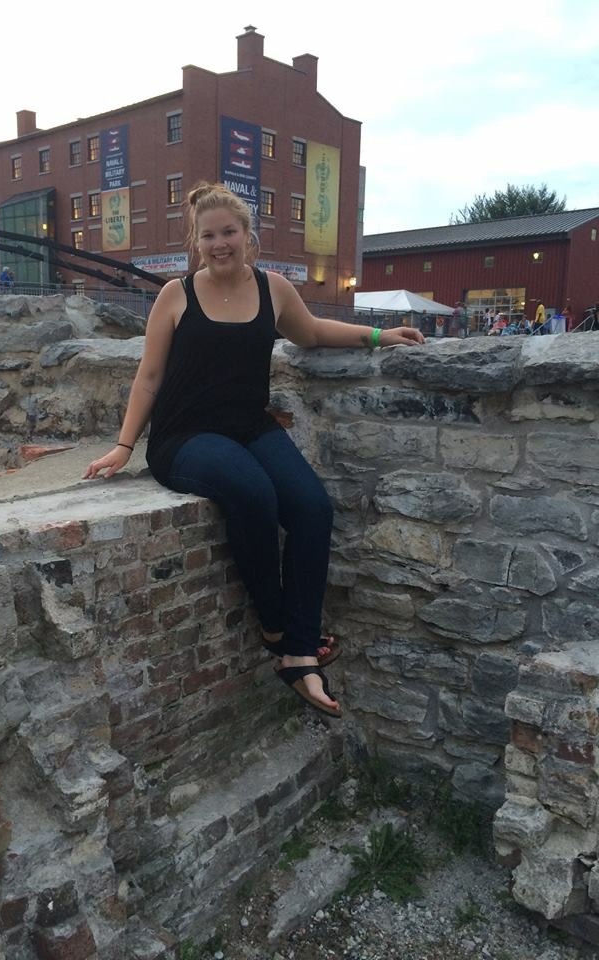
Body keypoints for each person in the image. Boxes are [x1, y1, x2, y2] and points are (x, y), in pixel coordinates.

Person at [83, 182, 425, 719]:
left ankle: (297, 651)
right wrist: (124, 445)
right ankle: (276, 626)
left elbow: (310, 332)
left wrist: (378, 337)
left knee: (312, 507)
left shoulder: (274, 289)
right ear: (196, 242)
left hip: (249, 426)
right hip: (184, 437)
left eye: (229, 232)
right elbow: (149, 376)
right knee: (253, 493)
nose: (220, 243)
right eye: (208, 235)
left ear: (249, 237)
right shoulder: (176, 294)